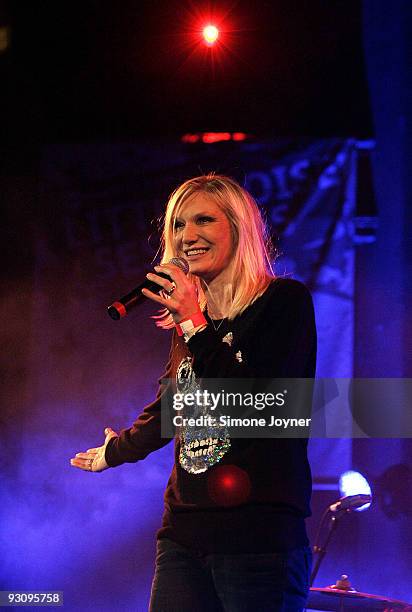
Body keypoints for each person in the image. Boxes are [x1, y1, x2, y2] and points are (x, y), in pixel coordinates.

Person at [70, 174, 317, 611]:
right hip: (184, 535)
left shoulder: (283, 303)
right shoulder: (191, 325)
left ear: (238, 231)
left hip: (257, 538)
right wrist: (116, 451)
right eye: (178, 226)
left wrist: (192, 321)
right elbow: (175, 406)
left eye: (204, 220)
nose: (188, 236)